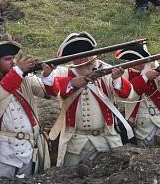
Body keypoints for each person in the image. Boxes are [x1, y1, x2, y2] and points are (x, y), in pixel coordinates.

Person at [42, 32, 134, 166]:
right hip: (75, 141)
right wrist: (72, 82)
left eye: (86, 55)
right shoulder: (63, 72)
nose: (83, 60)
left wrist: (117, 79)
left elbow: (127, 95)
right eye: (78, 57)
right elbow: (51, 90)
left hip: (104, 138)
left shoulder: (106, 70)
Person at [0, 41, 50, 179]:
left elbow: (49, 93)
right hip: (2, 150)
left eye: (13, 59)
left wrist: (48, 74)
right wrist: (19, 71)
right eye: (7, 59)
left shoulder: (24, 79)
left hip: (28, 147)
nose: (12, 62)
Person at [116, 43, 160, 145]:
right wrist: (145, 78)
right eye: (137, 61)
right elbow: (129, 95)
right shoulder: (125, 74)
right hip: (140, 121)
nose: (142, 63)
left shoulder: (154, 67)